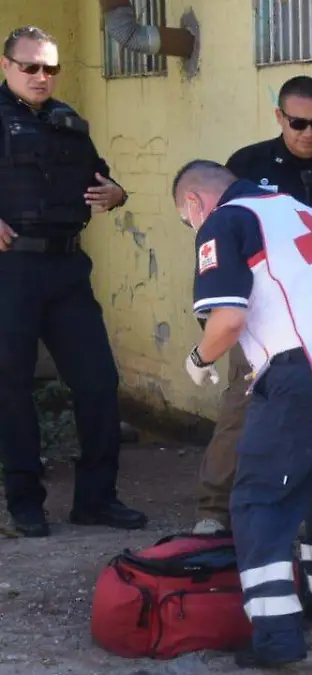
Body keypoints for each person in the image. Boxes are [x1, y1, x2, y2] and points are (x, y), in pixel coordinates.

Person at [174, 159, 312, 667]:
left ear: (194, 202)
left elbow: (229, 318)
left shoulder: (225, 221)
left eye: (187, 219)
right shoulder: (294, 209)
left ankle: (276, 638)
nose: (193, 226)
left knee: (257, 497)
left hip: (306, 370)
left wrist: (199, 359)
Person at [192, 74, 312, 535]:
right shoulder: (247, 165)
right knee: (244, 409)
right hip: (266, 318)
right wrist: (219, 314)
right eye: (299, 123)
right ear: (280, 117)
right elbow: (221, 235)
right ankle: (215, 511)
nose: (309, 133)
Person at [0, 25, 146, 537]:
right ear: (6, 66)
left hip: (66, 269)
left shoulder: (68, 122)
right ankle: (25, 502)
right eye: (30, 67)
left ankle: (97, 499)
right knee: (12, 386)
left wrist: (117, 194)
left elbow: (101, 178)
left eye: (50, 68)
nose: (41, 76)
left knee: (98, 380)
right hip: (11, 270)